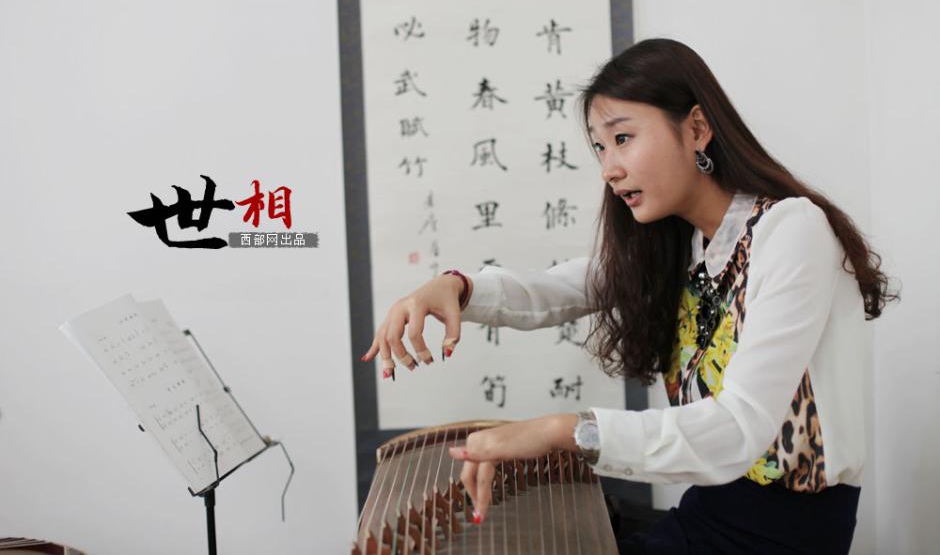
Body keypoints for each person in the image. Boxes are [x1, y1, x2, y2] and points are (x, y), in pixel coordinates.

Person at [360, 38, 897, 554]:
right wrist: (456, 287)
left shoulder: (790, 230)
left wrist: (560, 431)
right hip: (707, 514)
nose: (609, 169)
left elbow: (740, 427)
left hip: (786, 536)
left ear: (697, 128)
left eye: (622, 138)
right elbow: (559, 287)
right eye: (600, 147)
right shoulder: (683, 245)